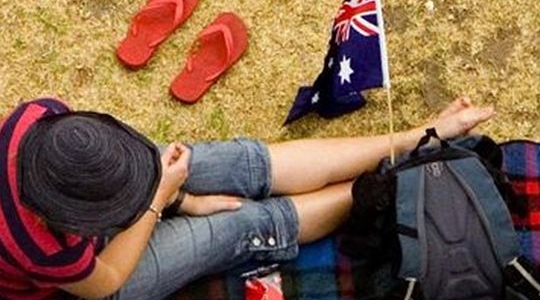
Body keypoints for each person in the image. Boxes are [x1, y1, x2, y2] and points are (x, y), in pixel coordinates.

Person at [0, 96, 494, 300]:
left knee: (236, 165)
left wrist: (181, 197)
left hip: (94, 196)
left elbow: (144, 176)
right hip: (94, 280)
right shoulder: (38, 246)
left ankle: (415, 138)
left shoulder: (38, 119)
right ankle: (403, 186)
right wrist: (158, 202)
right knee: (241, 224)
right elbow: (105, 281)